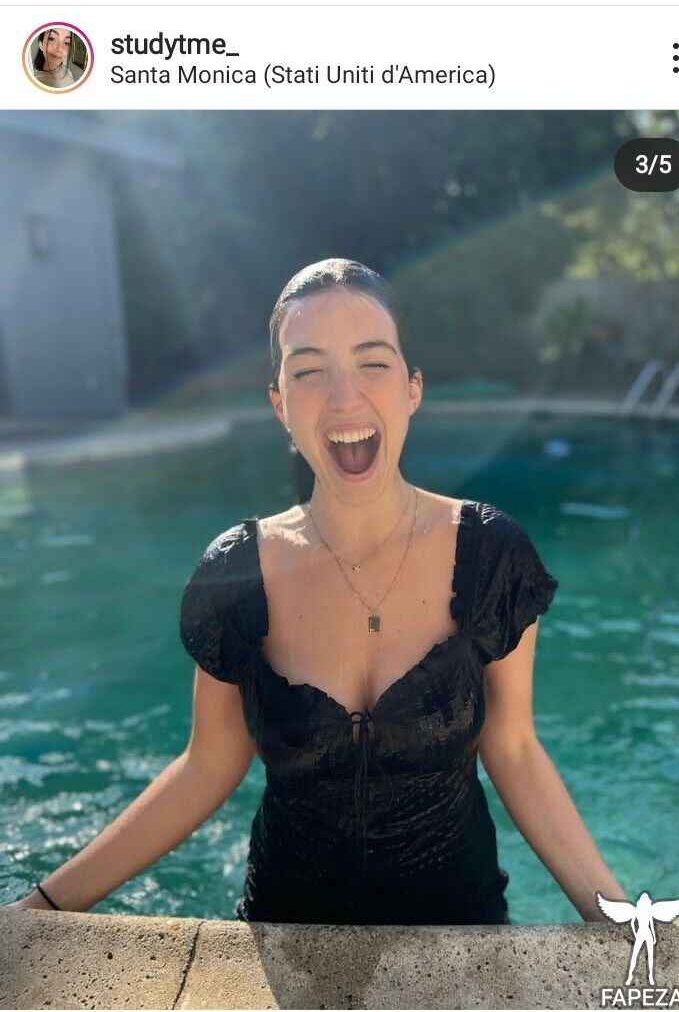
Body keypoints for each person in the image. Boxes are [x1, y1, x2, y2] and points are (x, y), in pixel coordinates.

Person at [4, 258, 628, 924]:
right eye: (308, 371)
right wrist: (42, 907)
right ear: (279, 405)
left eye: (372, 363)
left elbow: (514, 749)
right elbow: (206, 765)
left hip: (461, 927)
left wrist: (624, 923)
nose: (343, 397)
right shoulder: (236, 573)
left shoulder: (490, 555)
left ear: (412, 389)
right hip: (281, 932)